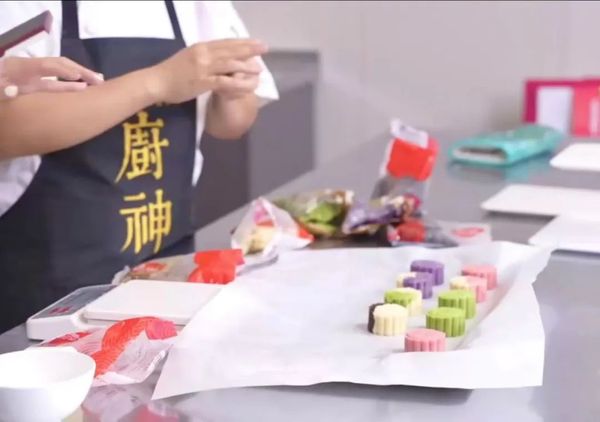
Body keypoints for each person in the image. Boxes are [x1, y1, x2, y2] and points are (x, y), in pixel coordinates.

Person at [0, 1, 278, 332]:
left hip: (168, 272)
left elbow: (229, 124)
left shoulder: (199, 5)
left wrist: (234, 93)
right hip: (47, 290)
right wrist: (157, 83)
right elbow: (8, 131)